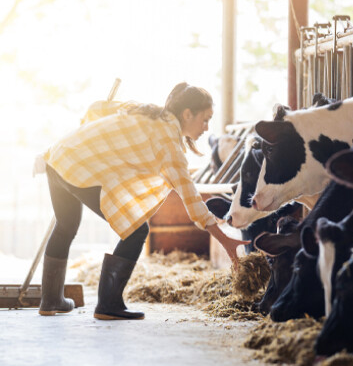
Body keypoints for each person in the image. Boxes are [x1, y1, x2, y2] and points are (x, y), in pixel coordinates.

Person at [39, 82, 249, 320]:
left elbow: (98, 107)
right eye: (204, 119)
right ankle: (108, 305)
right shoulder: (169, 144)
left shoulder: (144, 110)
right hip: (78, 168)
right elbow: (192, 201)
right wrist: (226, 241)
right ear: (187, 114)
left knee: (65, 227)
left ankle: (51, 300)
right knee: (137, 231)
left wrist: (84, 137)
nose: (206, 127)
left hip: (58, 155)